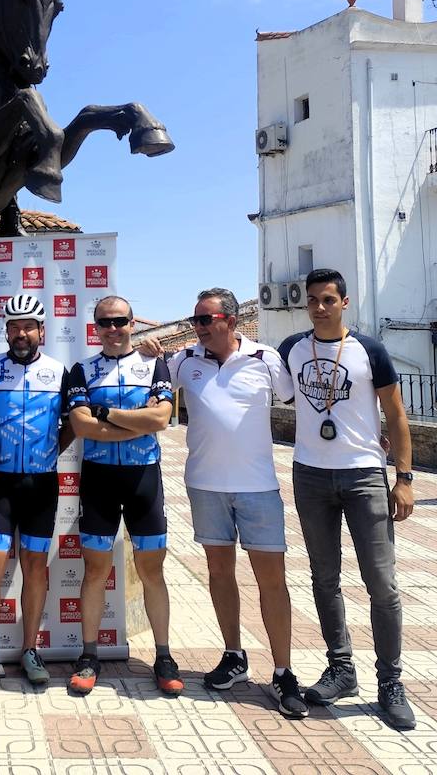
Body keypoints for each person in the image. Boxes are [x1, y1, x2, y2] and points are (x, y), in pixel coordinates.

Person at [278, 269, 417, 732]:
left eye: (329, 299)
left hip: (363, 476)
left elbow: (395, 415)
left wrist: (404, 477)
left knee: (381, 582)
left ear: (345, 301)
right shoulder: (291, 350)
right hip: (311, 475)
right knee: (324, 577)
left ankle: (390, 683)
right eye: (313, 300)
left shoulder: (369, 350)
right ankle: (341, 669)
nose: (320, 307)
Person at [168, 288, 307, 718]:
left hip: (258, 486)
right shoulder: (183, 360)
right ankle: (234, 655)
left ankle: (283, 671)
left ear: (230, 319)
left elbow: (302, 401)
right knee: (218, 572)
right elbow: (145, 385)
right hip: (205, 485)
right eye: (195, 319)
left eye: (206, 319)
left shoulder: (265, 358)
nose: (199, 327)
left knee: (272, 580)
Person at [66, 296, 181, 696]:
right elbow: (81, 428)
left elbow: (162, 418)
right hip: (98, 478)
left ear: (133, 323)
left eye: (120, 321)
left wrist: (105, 414)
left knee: (152, 571)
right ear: (95, 327)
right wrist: (137, 423)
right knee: (94, 572)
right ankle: (89, 653)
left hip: (142, 479)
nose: (112, 329)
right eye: (104, 322)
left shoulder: (154, 365)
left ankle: (163, 655)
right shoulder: (82, 370)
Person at [0, 294, 71, 696]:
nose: (21, 333)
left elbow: (72, 423)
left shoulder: (58, 372)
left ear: (42, 330)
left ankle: (31, 650)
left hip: (42, 485)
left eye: (28, 326)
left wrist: (50, 452)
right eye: (14, 327)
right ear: (6, 331)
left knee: (35, 566)